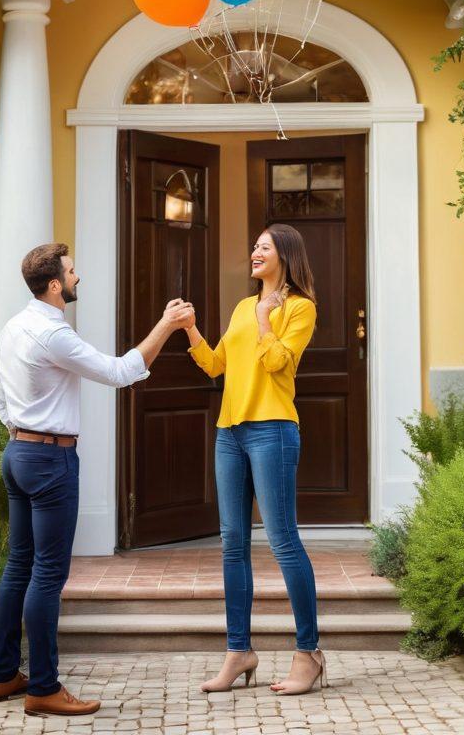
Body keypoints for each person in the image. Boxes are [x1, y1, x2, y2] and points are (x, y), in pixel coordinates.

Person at [0, 242, 193, 718]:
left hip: (17, 452)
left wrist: (22, 435)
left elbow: (0, 396)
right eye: (71, 272)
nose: (77, 277)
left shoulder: (14, 326)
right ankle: (43, 687)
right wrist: (166, 325)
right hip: (49, 460)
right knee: (47, 573)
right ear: (54, 285)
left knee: (19, 566)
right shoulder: (53, 335)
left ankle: (3, 675)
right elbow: (120, 372)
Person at [184, 223, 325, 696]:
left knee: (283, 541)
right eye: (254, 246)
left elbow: (277, 363)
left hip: (273, 431)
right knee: (232, 544)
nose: (254, 252)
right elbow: (216, 364)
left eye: (264, 247)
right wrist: (190, 328)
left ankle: (308, 654)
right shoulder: (244, 306)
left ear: (285, 254)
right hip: (230, 432)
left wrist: (267, 317)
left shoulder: (300, 308)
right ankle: (238, 652)